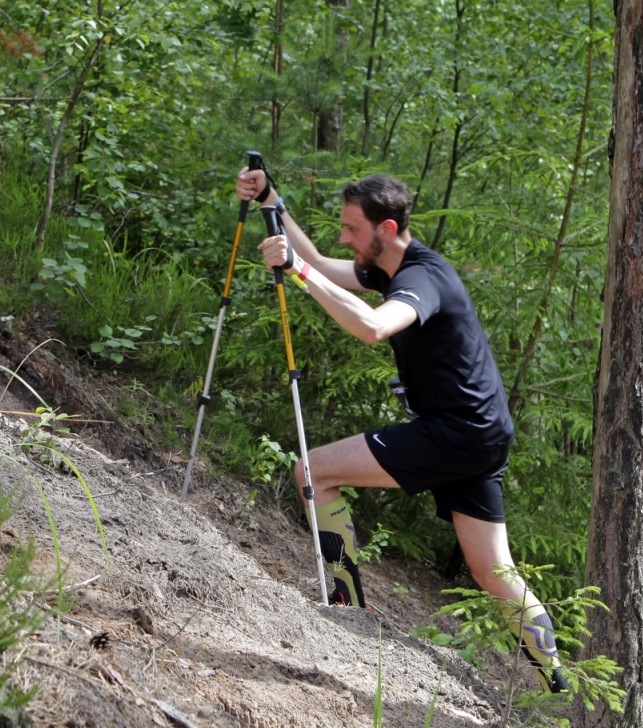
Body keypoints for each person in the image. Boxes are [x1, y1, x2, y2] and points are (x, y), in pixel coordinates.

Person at [237, 169, 569, 694]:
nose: (344, 238)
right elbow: (324, 265)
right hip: (481, 433)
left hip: (456, 433)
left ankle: (345, 608)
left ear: (386, 228)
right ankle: (558, 685)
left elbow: (371, 327)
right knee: (493, 571)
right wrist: (272, 203)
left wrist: (296, 271)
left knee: (312, 469)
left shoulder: (420, 279)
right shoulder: (389, 266)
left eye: (351, 228)